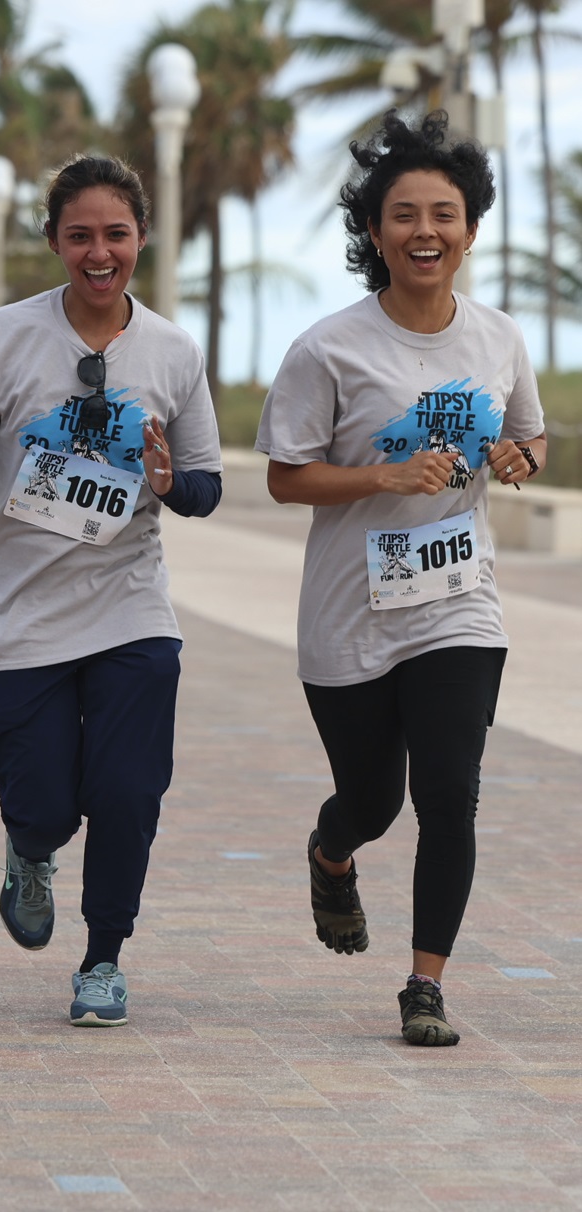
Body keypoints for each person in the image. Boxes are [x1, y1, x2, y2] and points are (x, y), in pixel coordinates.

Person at [255, 111, 546, 1046]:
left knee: (450, 793)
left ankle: (425, 984)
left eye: (446, 214)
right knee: (374, 801)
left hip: (459, 604)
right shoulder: (327, 348)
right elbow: (284, 475)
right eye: (406, 213)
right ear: (374, 231)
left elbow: (531, 437)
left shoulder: (500, 339)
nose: (428, 230)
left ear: (471, 229)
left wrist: (517, 462)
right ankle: (331, 854)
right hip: (350, 616)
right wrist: (382, 475)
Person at [0, 154, 222, 1027]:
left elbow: (204, 486)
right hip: (20, 611)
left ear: (140, 238)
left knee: (129, 791)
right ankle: (30, 846)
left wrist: (168, 482)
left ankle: (102, 959)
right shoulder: (5, 335)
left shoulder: (171, 350)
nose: (100, 253)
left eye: (116, 234)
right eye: (80, 235)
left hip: (130, 602)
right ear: (55, 241)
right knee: (46, 801)